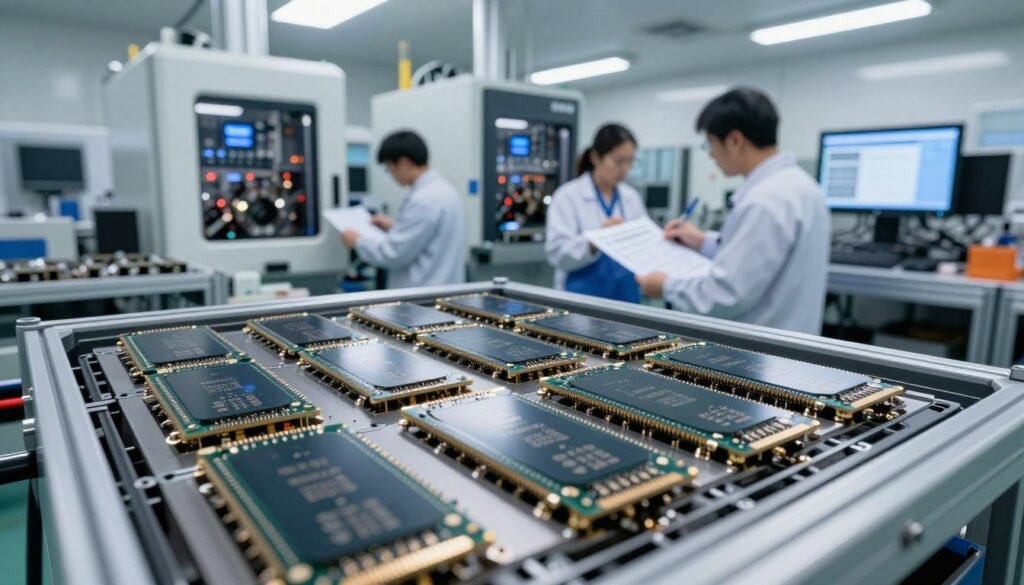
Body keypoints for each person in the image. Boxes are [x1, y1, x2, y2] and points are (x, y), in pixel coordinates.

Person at [636, 88, 830, 334]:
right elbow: (759, 258)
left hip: (763, 354)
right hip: (794, 339)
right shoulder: (802, 186)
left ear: (735, 141)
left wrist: (665, 287)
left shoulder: (764, 201)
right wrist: (701, 241)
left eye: (711, 144)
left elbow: (726, 294)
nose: (712, 155)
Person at [341, 130, 466, 288]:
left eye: (389, 167)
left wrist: (358, 241)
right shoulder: (446, 190)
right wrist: (394, 226)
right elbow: (432, 236)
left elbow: (392, 254)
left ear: (404, 163)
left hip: (422, 300)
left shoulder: (424, 200)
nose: (391, 174)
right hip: (441, 290)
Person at [545, 123, 648, 302]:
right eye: (618, 161)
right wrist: (595, 240)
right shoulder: (568, 196)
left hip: (626, 297)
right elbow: (557, 253)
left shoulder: (631, 198)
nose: (624, 169)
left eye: (630, 161)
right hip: (581, 298)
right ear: (595, 158)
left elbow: (644, 247)